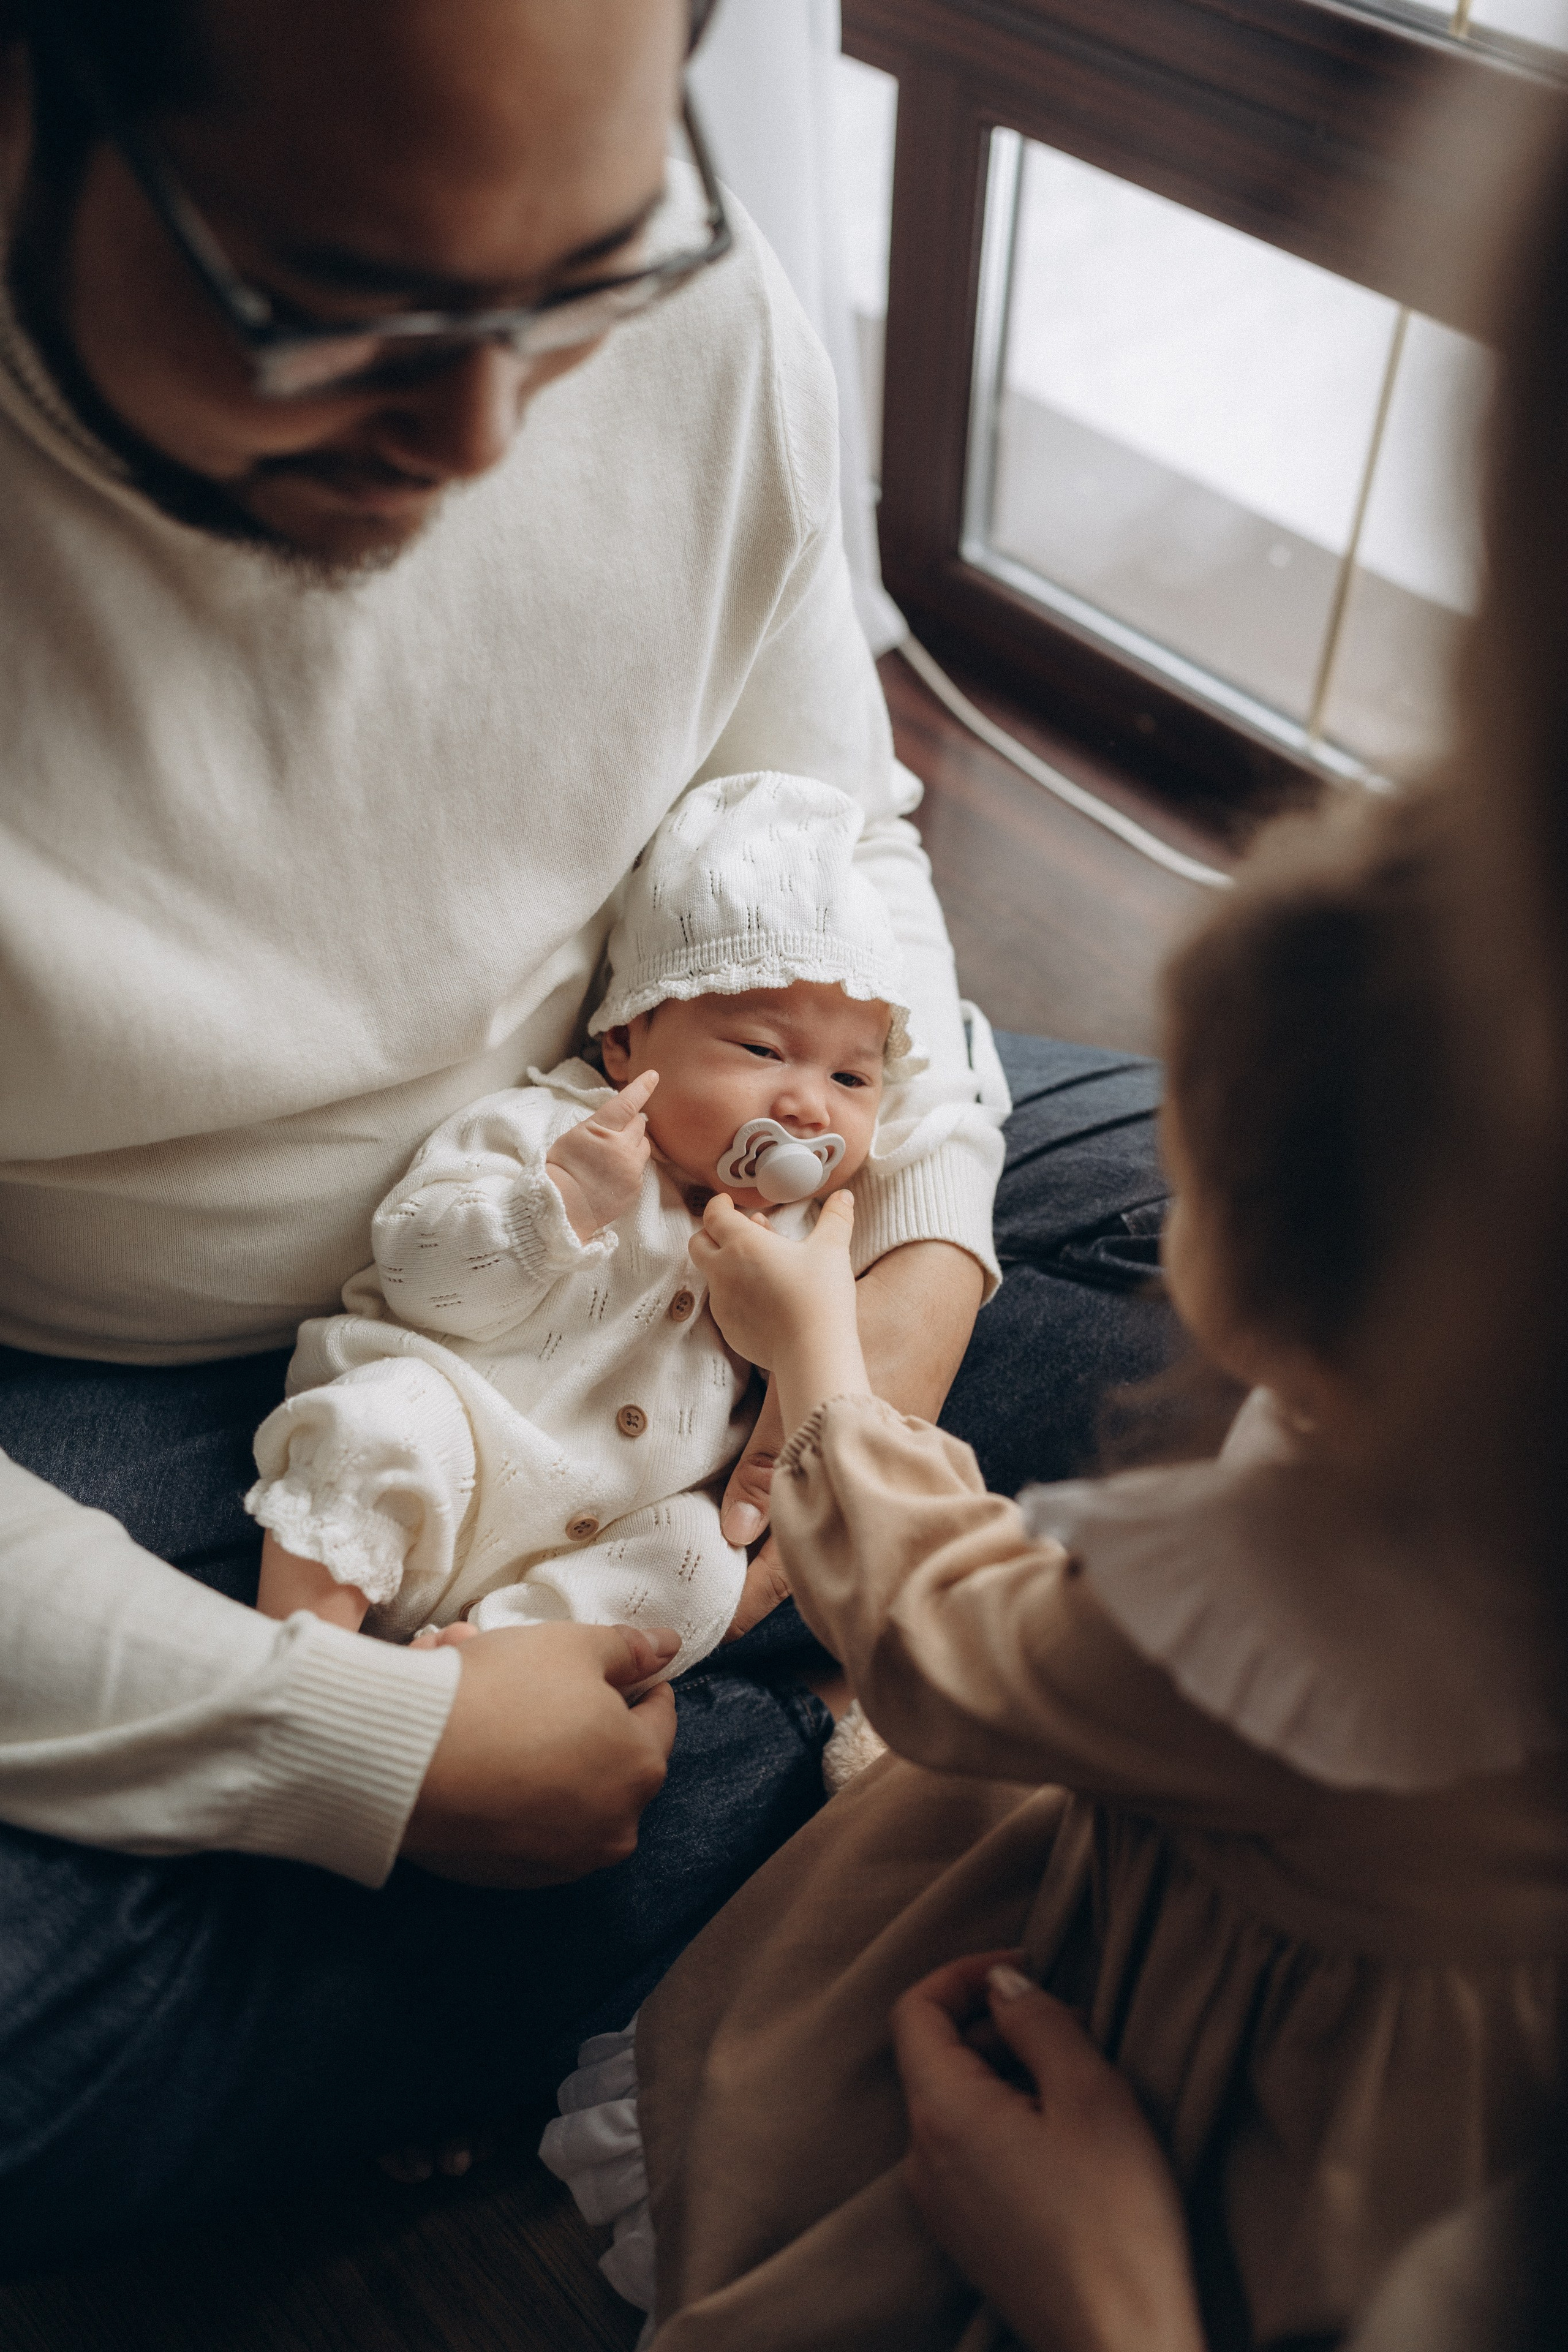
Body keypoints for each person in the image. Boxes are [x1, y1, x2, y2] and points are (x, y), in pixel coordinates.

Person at [0, 0, 1172, 2264]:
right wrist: (345, 1737)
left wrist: (901, 1310)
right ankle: (818, 1768)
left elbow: (830, 834)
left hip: (696, 1140)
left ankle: (582, 1841)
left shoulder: (687, 299)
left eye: (580, 285)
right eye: (338, 310)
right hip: (140, 1377)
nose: (483, 428)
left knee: (1264, 1295)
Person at [545, 801, 1568, 2349]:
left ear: (1266, 1282)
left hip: (1214, 2048)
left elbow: (947, 1631)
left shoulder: (1292, 1606)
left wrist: (817, 1359)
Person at [251, 772, 1002, 1675]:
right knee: (374, 1425)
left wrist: (808, 1335)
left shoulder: (808, 1241)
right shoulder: (548, 1133)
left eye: (852, 1080)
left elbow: (807, 1403)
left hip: (605, 1528)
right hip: (460, 1444)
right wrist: (551, 1209)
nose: (807, 1106)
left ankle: (487, 1673)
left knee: (697, 1566)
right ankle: (303, 1666)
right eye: (763, 1051)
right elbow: (415, 1271)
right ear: (625, 1040)